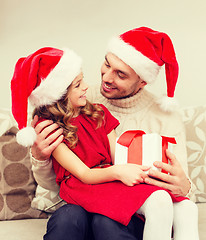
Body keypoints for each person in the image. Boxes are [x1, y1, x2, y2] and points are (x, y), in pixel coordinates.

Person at [11, 46, 199, 240]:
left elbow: (118, 156)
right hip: (85, 185)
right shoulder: (52, 127)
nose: (88, 85)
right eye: (107, 64)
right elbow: (84, 174)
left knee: (184, 206)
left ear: (141, 81)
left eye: (121, 74)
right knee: (155, 201)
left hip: (109, 179)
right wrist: (120, 172)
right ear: (58, 94)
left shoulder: (97, 111)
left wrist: (145, 172)